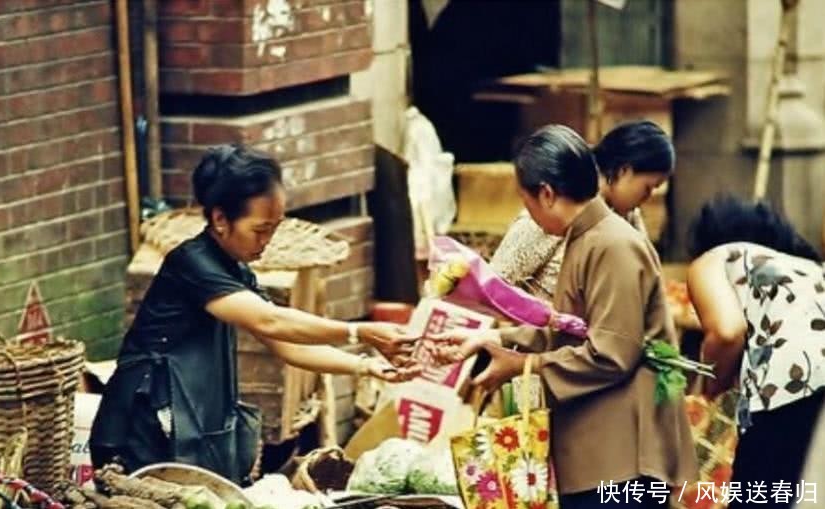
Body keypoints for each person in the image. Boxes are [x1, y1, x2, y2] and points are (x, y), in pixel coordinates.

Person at [90, 144, 421, 483]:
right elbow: (271, 321)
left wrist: (364, 365)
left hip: (183, 427)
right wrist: (359, 332)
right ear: (220, 219)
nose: (267, 241)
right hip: (142, 430)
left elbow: (287, 346)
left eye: (274, 229)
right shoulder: (192, 264)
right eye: (260, 229)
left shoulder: (235, 270)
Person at [433, 125, 697, 508]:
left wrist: (523, 364)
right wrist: (493, 340)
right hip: (598, 447)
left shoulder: (613, 243)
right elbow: (569, 328)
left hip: (621, 455)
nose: (528, 216)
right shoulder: (586, 236)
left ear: (546, 194)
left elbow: (611, 353)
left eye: (526, 203)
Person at [686, 195, 825, 508]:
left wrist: (710, 386)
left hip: (788, 393)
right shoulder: (807, 268)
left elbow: (726, 332)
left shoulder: (713, 258)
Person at [490, 120, 674, 299]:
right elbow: (494, 284)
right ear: (624, 171)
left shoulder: (628, 217)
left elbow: (648, 276)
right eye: (648, 187)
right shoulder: (552, 211)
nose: (648, 197)